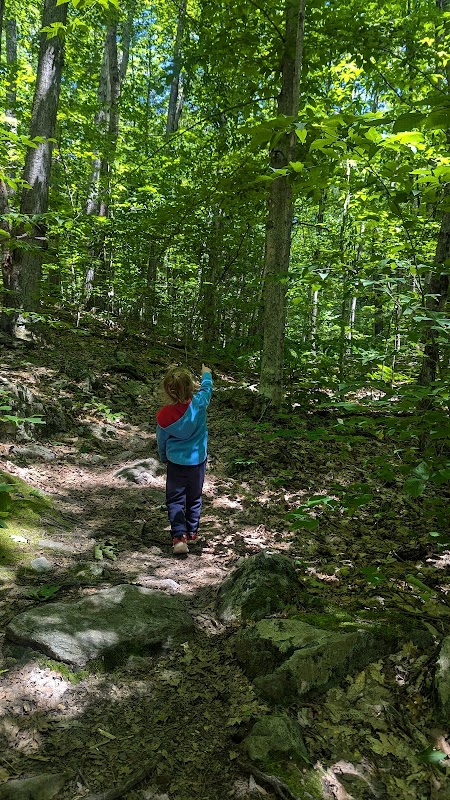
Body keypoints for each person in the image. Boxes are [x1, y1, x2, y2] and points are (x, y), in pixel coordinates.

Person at [156, 363, 213, 554]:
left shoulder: (164, 415)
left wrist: (164, 457)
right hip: (198, 462)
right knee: (194, 497)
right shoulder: (200, 403)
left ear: (168, 391)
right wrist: (206, 374)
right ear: (191, 387)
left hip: (175, 463)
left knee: (175, 500)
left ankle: (179, 538)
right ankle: (192, 533)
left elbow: (161, 440)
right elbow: (207, 389)